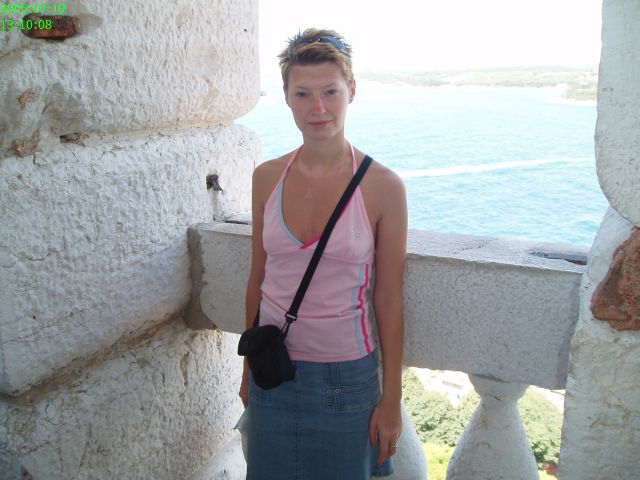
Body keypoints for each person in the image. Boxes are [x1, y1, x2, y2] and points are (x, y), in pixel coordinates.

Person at [239, 28, 407, 479]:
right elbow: (259, 277)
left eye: (330, 92)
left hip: (346, 380)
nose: (318, 108)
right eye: (303, 94)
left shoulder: (383, 187)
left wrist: (392, 397)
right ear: (287, 98)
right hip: (272, 370)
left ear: (351, 90)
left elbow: (389, 298)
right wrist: (247, 371)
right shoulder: (266, 178)